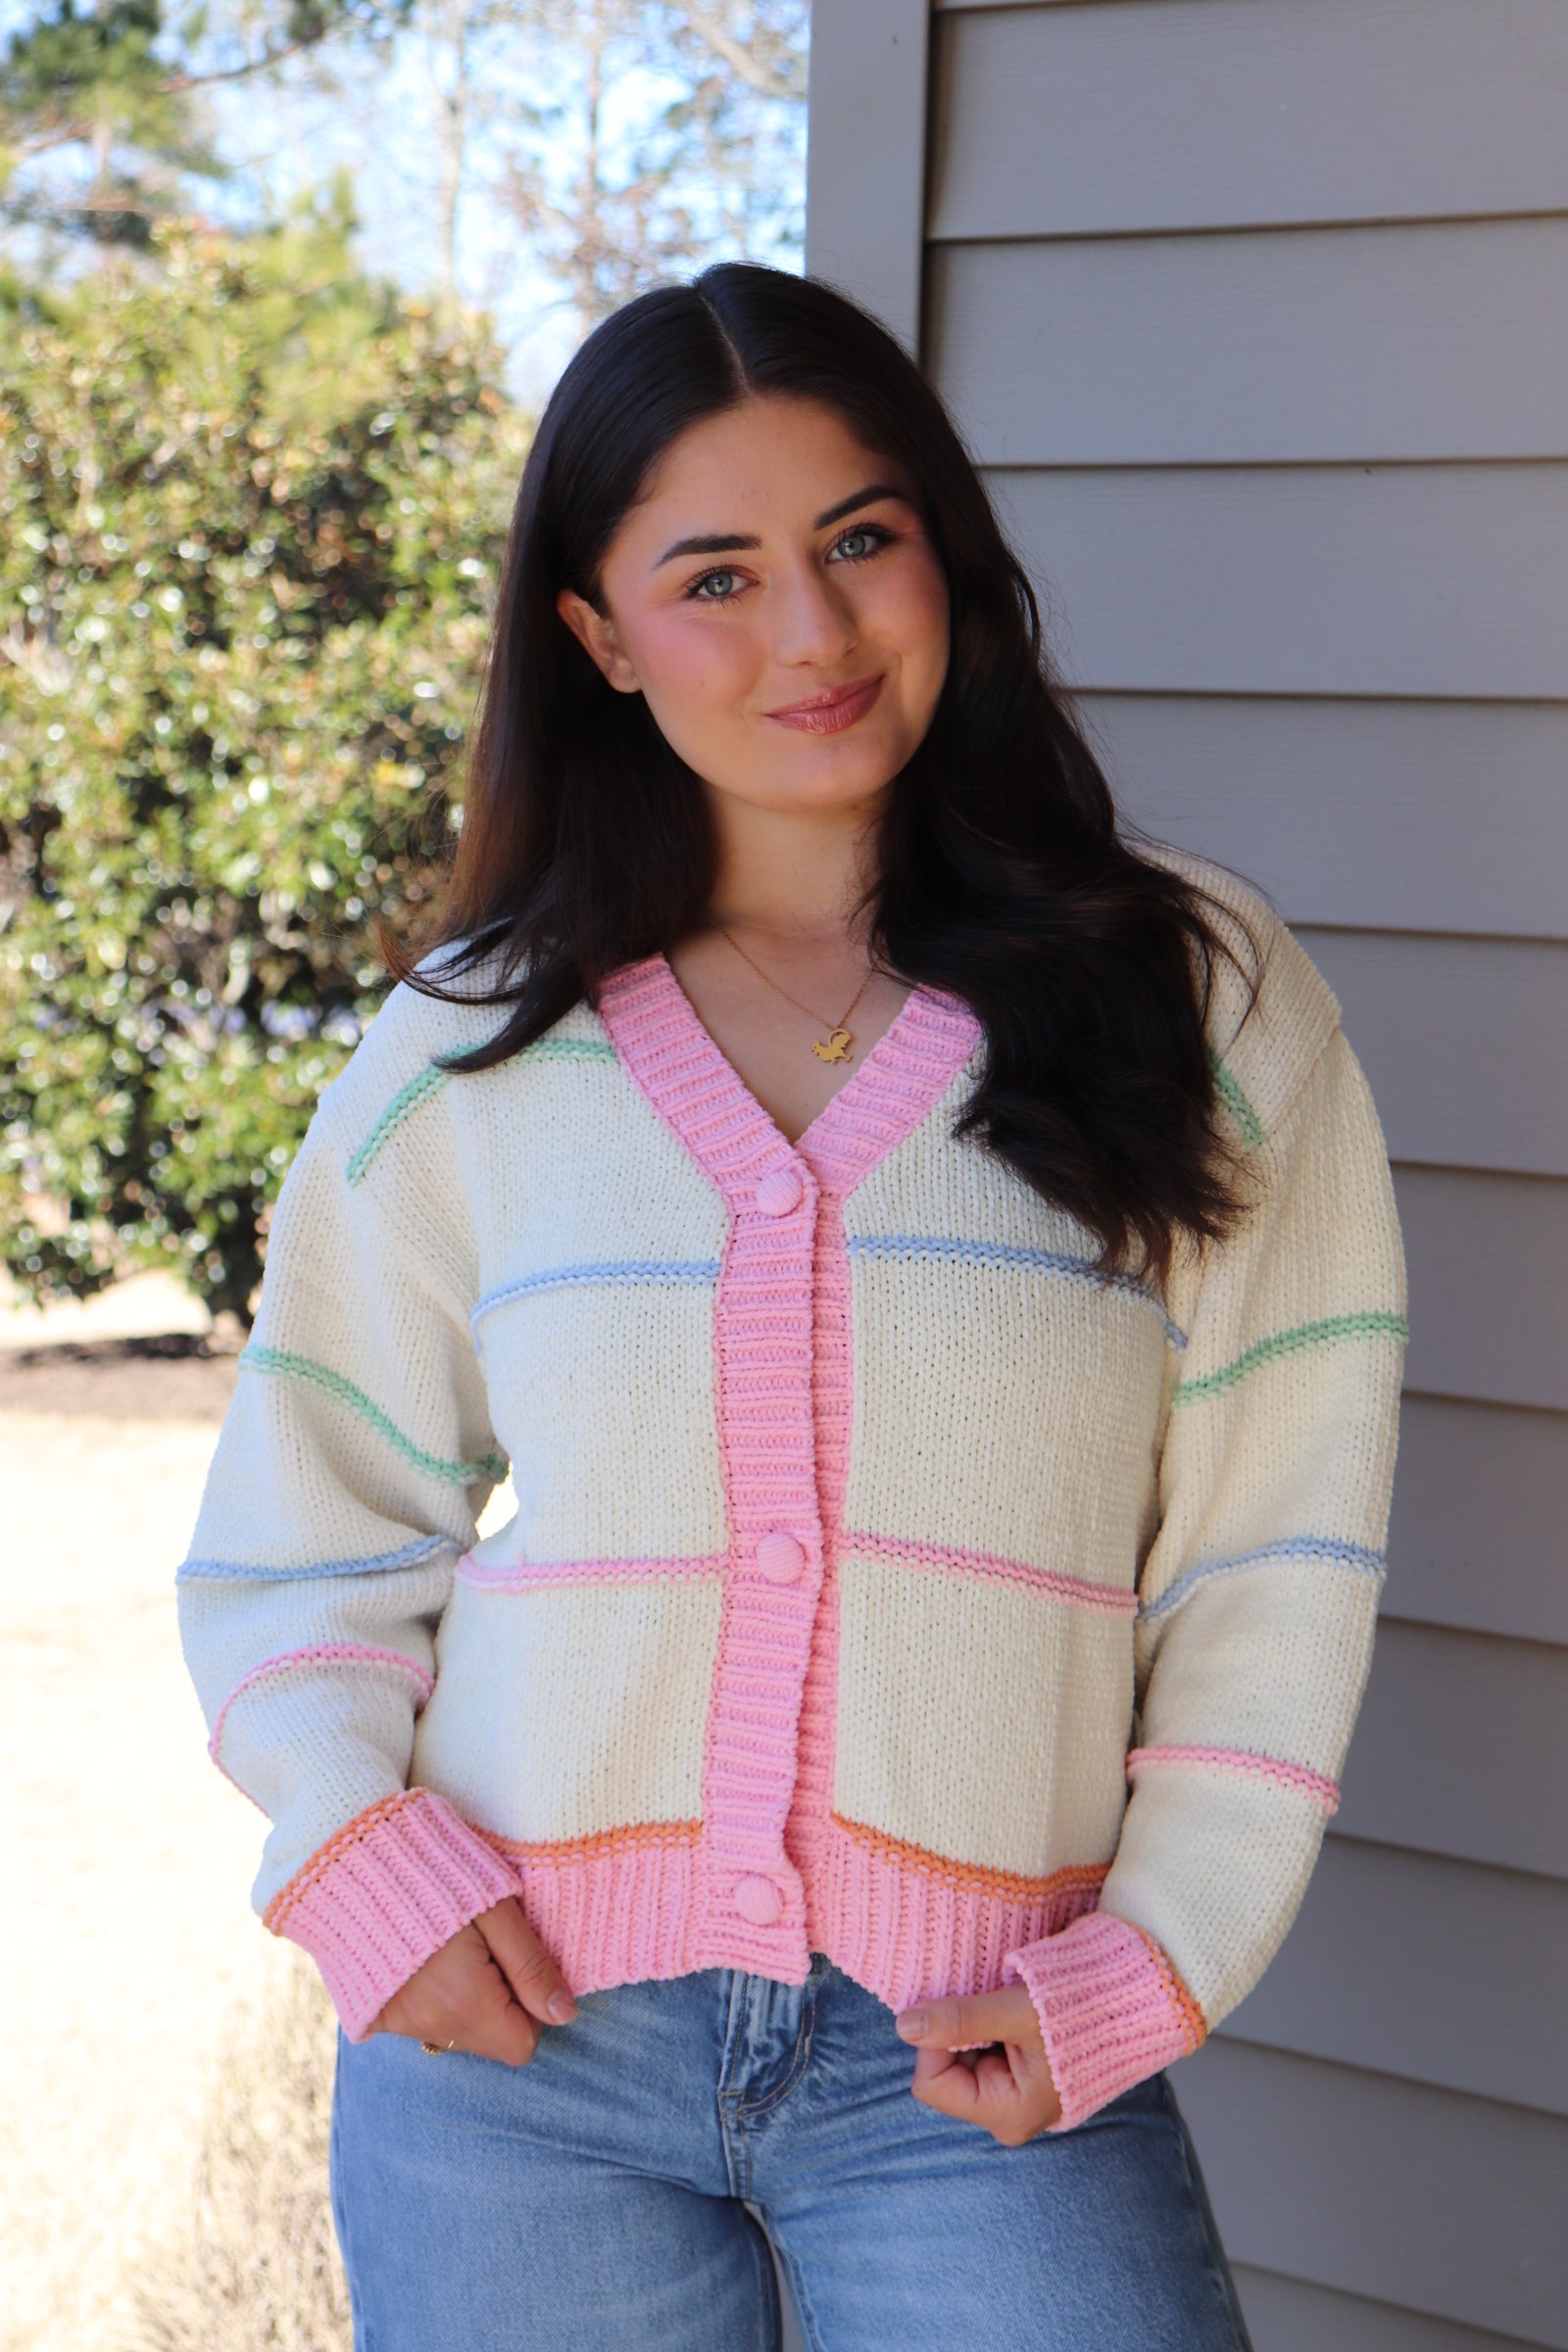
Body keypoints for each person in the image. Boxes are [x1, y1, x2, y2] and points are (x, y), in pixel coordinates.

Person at [177, 263, 1406, 2350]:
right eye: (715, 574)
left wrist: (1151, 1954)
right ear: (597, 637)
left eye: (857, 541)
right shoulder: (473, 1051)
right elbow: (305, 1533)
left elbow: (1269, 1556)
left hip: (981, 2060)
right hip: (518, 2069)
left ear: (945, 547)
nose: (814, 635)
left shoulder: (1198, 997)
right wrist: (363, 1864)